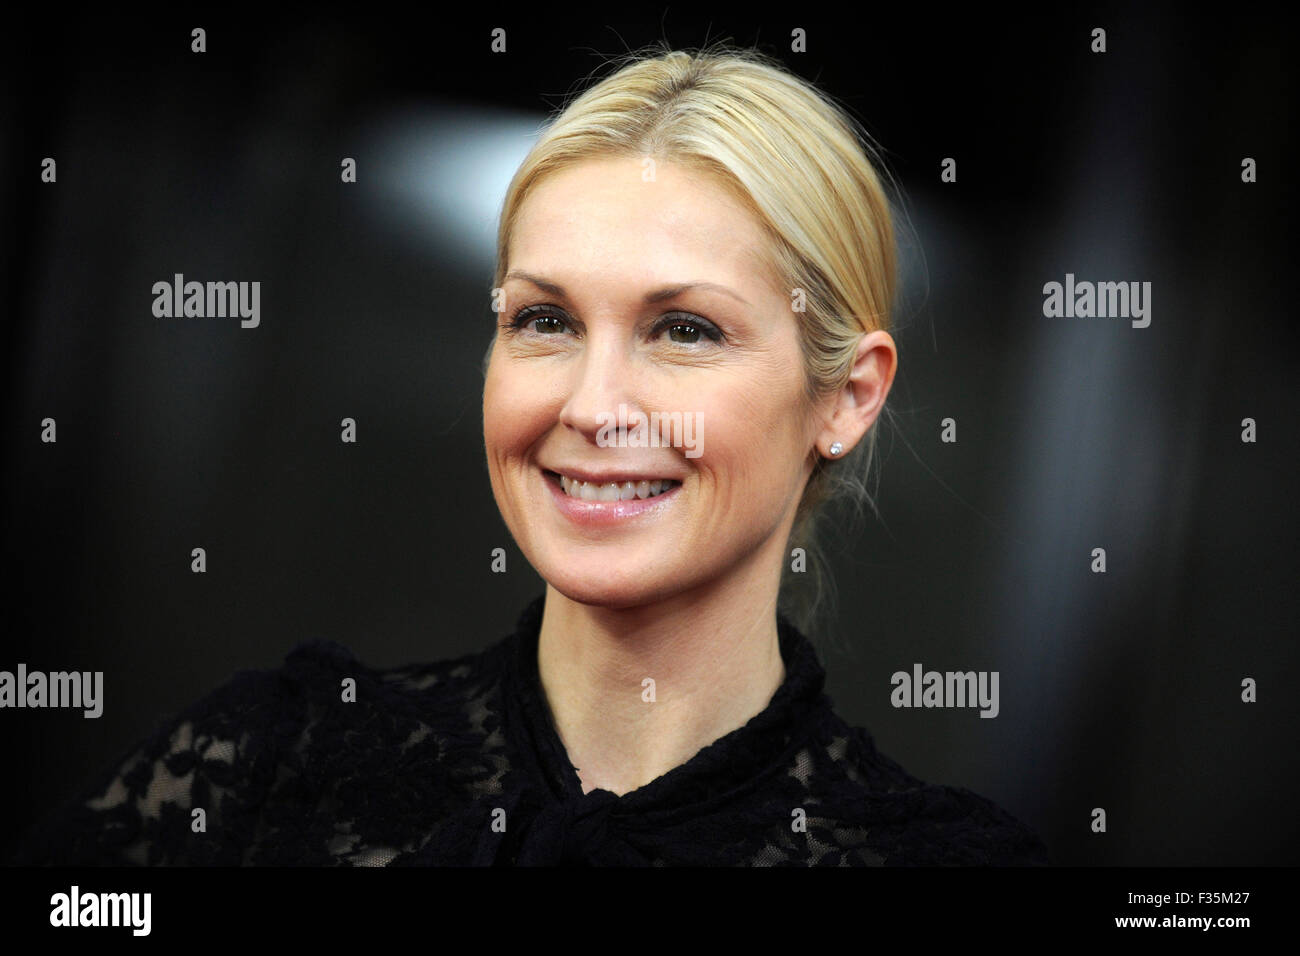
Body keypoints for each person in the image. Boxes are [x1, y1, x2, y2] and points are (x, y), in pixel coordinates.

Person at [10, 45, 1046, 866]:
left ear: (847, 395)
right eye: (545, 320)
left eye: (684, 330)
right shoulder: (266, 768)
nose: (593, 406)